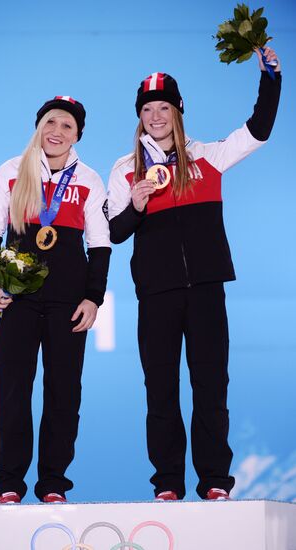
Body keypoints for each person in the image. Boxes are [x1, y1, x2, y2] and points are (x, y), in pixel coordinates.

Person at [107, 48, 281, 501]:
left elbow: (258, 131)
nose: (156, 116)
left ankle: (214, 482)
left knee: (210, 384)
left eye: (164, 107)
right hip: (157, 294)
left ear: (179, 110)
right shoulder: (125, 170)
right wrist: (137, 206)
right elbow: (112, 231)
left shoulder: (206, 156)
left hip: (205, 289)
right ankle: (167, 482)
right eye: (148, 110)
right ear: (139, 118)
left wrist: (271, 79)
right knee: (160, 388)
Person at [0, 96, 111, 504]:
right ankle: (9, 483)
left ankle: (53, 481)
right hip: (17, 299)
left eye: (67, 126)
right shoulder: (11, 170)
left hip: (68, 302)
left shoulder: (89, 178)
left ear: (78, 135)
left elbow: (100, 244)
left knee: (64, 392)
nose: (57, 131)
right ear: (38, 127)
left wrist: (93, 298)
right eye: (50, 122)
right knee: (13, 390)